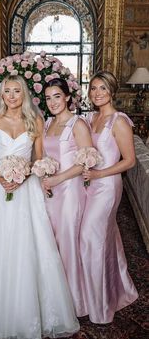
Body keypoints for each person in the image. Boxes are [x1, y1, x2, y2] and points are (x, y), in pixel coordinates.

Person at [0, 75, 80, 339]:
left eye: (16, 91)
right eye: (6, 91)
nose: (10, 96)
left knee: (27, 246)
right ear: (1, 94)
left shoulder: (35, 121)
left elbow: (39, 158)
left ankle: (26, 311)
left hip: (26, 190)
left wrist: (23, 177)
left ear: (24, 94)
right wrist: (0, 178)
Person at [80, 70, 138, 323]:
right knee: (104, 239)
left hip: (106, 187)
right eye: (93, 88)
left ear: (112, 91)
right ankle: (113, 289)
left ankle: (101, 306)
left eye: (102, 88)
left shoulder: (119, 121)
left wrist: (99, 173)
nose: (97, 93)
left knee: (90, 238)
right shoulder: (90, 118)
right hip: (88, 186)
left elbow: (130, 161)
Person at [42, 78, 93, 317]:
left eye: (57, 96)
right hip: (50, 192)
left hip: (70, 192)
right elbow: (44, 156)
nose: (52, 102)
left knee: (68, 243)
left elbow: (85, 160)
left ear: (67, 98)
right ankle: (54, 298)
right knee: (51, 244)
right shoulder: (48, 123)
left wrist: (58, 179)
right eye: (48, 97)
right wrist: (43, 174)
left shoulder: (78, 124)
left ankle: (73, 303)